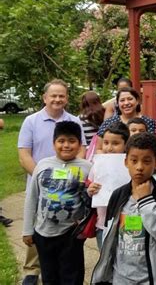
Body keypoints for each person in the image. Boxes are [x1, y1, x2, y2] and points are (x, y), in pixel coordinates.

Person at [18, 78, 86, 285]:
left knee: (68, 259)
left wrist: (71, 180)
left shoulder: (75, 121)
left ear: (66, 98)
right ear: (44, 98)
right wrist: (45, 177)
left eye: (61, 96)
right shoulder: (31, 121)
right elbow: (24, 155)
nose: (57, 99)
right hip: (42, 186)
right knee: (39, 230)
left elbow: (82, 150)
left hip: (71, 190)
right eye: (53, 95)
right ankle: (31, 272)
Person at [91, 132, 156, 284]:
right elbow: (109, 238)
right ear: (126, 162)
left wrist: (145, 200)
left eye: (146, 161)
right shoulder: (118, 195)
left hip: (153, 279)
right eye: (134, 160)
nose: (139, 167)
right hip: (121, 279)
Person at [22, 121, 92, 285]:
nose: (66, 145)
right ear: (54, 143)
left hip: (71, 235)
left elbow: (91, 201)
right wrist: (27, 229)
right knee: (49, 275)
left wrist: (84, 225)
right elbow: (32, 197)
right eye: (61, 141)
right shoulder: (42, 165)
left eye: (72, 141)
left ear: (79, 143)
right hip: (43, 233)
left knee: (72, 276)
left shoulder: (88, 168)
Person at [86, 122, 130, 249]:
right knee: (105, 261)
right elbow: (90, 187)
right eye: (106, 143)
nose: (109, 148)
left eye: (115, 143)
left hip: (128, 222)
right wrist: (91, 190)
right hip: (103, 224)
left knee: (129, 259)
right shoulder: (97, 164)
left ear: (126, 144)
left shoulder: (131, 165)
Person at [97, 87, 156, 152]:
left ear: (137, 101)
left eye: (130, 99)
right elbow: (99, 149)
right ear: (117, 104)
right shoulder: (109, 122)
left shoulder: (148, 122)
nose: (126, 103)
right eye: (122, 100)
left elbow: (153, 147)